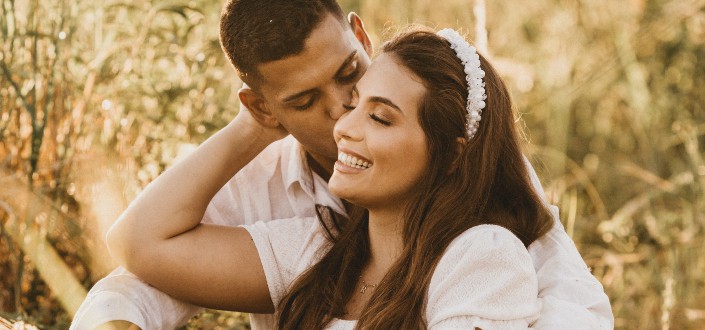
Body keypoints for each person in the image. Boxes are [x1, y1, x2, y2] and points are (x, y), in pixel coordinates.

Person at [71, 0, 613, 329]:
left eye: (354, 78)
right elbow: (142, 263)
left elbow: (565, 294)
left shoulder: (479, 227)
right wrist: (251, 131)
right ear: (263, 106)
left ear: (361, 37)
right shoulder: (306, 244)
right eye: (304, 103)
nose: (341, 116)